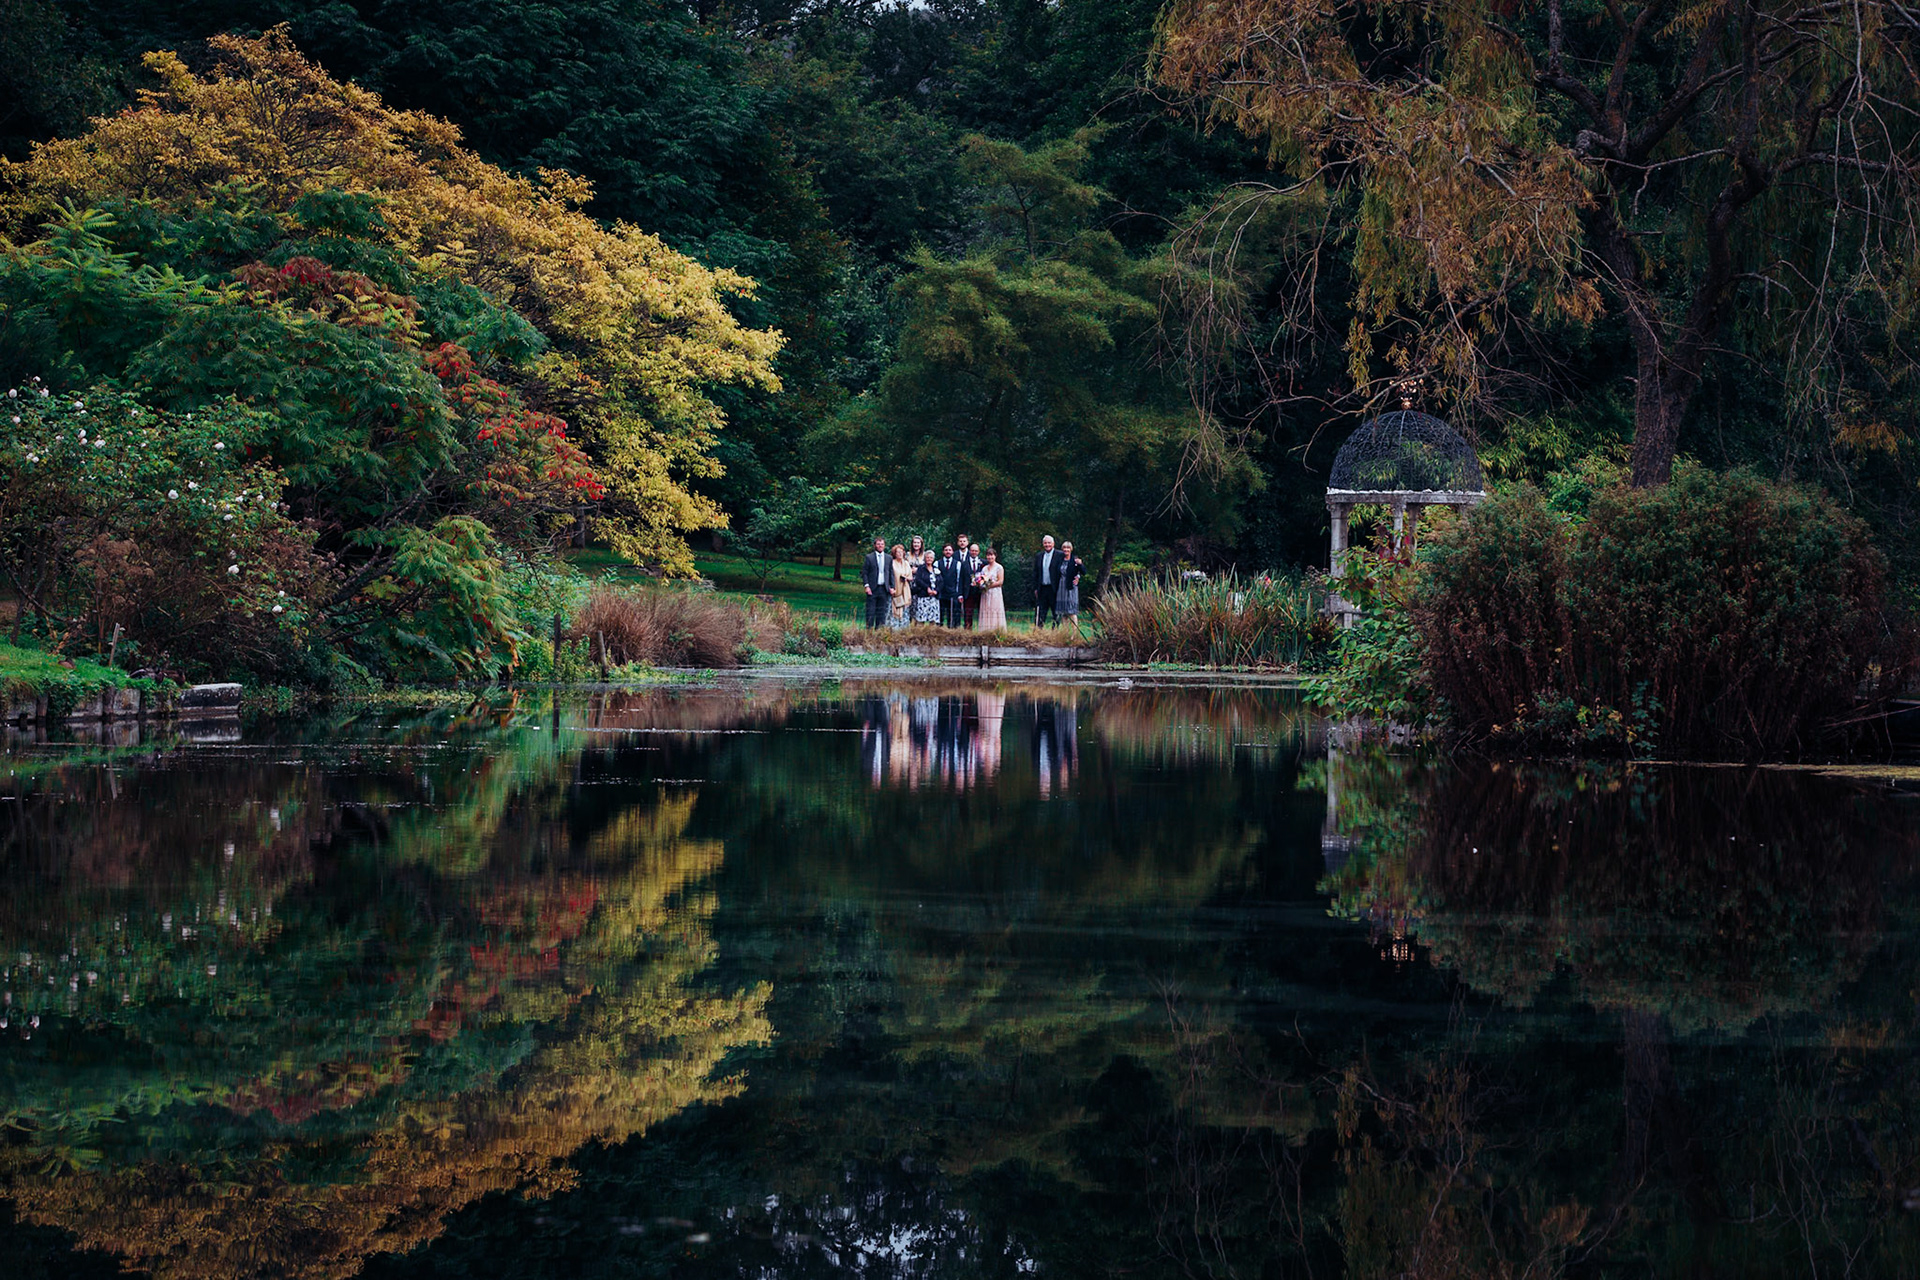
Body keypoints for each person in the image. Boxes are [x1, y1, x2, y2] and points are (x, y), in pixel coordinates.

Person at [861, 536, 895, 629]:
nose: (880, 546)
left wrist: (892, 587)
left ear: (884, 546)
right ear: (875, 545)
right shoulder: (869, 557)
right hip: (872, 588)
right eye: (878, 544)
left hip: (884, 588)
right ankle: (869, 632)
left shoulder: (888, 558)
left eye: (882, 544)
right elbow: (864, 573)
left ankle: (879, 632)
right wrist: (866, 586)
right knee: (870, 612)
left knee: (881, 613)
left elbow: (891, 573)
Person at [1032, 535, 1065, 627]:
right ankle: (1039, 632)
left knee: (1056, 612)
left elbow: (1069, 564)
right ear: (1043, 544)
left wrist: (1077, 575)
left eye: (1049, 542)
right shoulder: (1039, 556)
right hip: (1042, 588)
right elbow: (1035, 573)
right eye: (1045, 543)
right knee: (1041, 611)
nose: (1047, 545)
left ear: (1053, 544)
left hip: (1055, 588)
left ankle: (1055, 633)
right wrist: (1035, 588)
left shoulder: (1060, 555)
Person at [975, 548, 1007, 630]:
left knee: (994, 610)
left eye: (991, 555)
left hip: (995, 593)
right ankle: (985, 630)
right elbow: (980, 579)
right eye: (988, 555)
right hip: (985, 594)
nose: (990, 557)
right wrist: (980, 584)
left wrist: (988, 585)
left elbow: (1000, 582)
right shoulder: (984, 568)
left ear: (995, 556)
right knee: (986, 610)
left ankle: (996, 630)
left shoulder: (999, 567)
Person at [1056, 540, 1085, 630]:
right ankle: (1065, 633)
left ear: (1071, 549)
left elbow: (1083, 571)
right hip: (1061, 587)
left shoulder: (1075, 560)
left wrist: (1078, 575)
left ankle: (1074, 634)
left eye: (1068, 548)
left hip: (1071, 587)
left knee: (1072, 611)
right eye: (1064, 548)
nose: (1066, 549)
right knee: (1063, 612)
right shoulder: (1060, 560)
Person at [935, 544, 967, 627]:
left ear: (952, 552)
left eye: (949, 550)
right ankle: (939, 630)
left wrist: (959, 593)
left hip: (953, 593)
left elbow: (959, 579)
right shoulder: (937, 563)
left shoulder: (958, 564)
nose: (948, 552)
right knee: (940, 614)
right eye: (946, 550)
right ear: (943, 552)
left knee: (952, 614)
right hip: (941, 593)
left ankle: (951, 630)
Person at [956, 535, 984, 628]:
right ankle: (968, 629)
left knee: (982, 612)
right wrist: (960, 594)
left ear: (978, 552)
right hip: (968, 592)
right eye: (972, 550)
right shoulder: (964, 564)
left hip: (981, 592)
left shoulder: (983, 563)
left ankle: (982, 630)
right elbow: (960, 580)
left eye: (976, 551)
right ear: (969, 551)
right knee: (968, 613)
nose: (974, 552)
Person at [888, 543, 913, 628]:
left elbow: (911, 577)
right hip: (896, 590)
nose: (900, 554)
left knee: (905, 611)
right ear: (894, 554)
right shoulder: (892, 563)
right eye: (898, 552)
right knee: (895, 610)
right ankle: (894, 629)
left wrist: (906, 578)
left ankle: (904, 629)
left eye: (901, 552)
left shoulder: (906, 563)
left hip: (905, 590)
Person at [912, 550, 940, 623]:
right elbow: (918, 580)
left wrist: (936, 590)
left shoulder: (936, 569)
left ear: (933, 559)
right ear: (925, 558)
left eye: (931, 557)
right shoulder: (921, 568)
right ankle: (920, 632)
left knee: (933, 618)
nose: (929, 559)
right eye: (927, 557)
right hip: (923, 596)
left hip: (934, 597)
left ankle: (931, 632)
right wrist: (927, 588)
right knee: (922, 618)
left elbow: (941, 581)